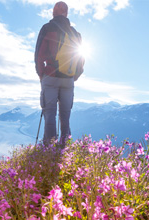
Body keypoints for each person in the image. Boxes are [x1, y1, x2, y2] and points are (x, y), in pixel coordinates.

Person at [35, 1, 84, 145]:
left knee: (50, 114)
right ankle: (65, 150)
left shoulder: (47, 28)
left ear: (53, 12)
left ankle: (49, 149)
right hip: (68, 79)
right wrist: (73, 76)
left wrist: (41, 74)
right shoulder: (75, 33)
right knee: (65, 116)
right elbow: (81, 60)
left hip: (50, 76)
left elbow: (39, 55)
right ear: (66, 13)